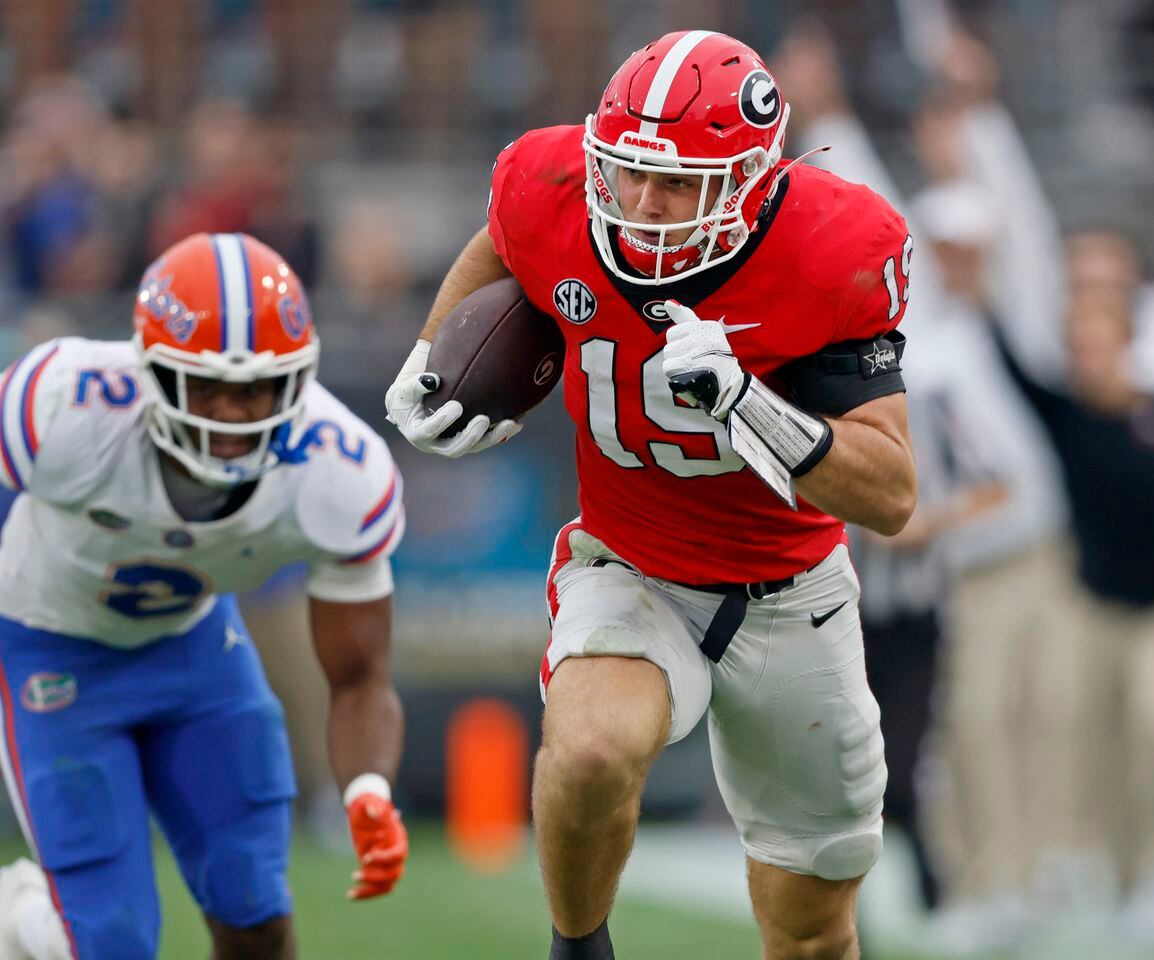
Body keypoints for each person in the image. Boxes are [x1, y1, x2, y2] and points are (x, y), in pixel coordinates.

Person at [386, 30, 917, 960]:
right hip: (634, 563)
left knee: (812, 932)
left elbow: (892, 492)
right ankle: (577, 949)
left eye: (677, 184)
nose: (640, 202)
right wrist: (433, 358)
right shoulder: (549, 185)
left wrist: (752, 405)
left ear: (753, 180)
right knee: (590, 750)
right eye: (627, 171)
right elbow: (501, 244)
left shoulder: (834, 247)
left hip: (790, 590)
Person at [0, 232, 409, 960]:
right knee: (108, 943)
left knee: (255, 909)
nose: (229, 415)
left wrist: (367, 789)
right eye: (206, 387)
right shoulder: (65, 404)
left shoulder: (338, 470)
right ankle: (27, 923)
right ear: (150, 369)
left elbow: (359, 674)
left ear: (298, 379)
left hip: (195, 652)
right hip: (49, 649)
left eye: (255, 389)